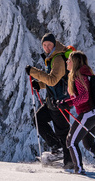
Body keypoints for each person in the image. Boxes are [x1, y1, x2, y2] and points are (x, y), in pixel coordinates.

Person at [26, 33, 73, 169]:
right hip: (52, 101)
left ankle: (69, 163)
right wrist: (40, 84)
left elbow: (52, 80)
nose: (47, 47)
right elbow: (55, 82)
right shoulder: (52, 57)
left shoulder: (58, 58)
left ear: (54, 44)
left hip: (60, 102)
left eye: (49, 45)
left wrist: (33, 72)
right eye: (44, 45)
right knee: (38, 119)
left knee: (63, 132)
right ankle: (57, 147)